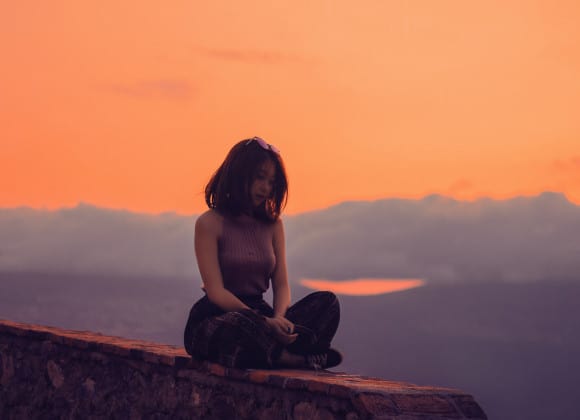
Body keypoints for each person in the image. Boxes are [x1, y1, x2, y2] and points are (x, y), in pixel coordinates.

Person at [183, 137, 342, 370]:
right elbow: (215, 291)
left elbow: (281, 285)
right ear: (238, 174)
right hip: (220, 317)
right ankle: (294, 358)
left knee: (328, 303)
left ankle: (276, 350)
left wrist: (278, 319)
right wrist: (265, 323)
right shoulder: (209, 223)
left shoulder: (273, 225)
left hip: (263, 314)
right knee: (242, 325)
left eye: (271, 181)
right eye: (259, 177)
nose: (266, 188)